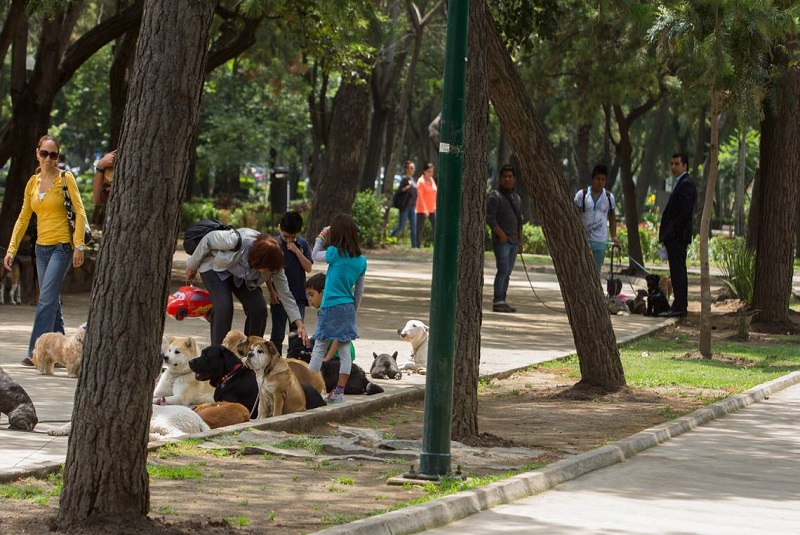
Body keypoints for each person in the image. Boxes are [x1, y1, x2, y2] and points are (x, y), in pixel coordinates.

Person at [3, 134, 87, 366]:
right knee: (52, 301)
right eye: (44, 153)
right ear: (37, 153)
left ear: (58, 157)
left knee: (46, 299)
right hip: (41, 249)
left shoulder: (65, 179)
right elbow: (23, 218)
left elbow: (80, 212)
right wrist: (11, 249)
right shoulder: (33, 182)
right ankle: (64, 353)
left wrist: (78, 245)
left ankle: (36, 352)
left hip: (62, 247)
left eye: (53, 155)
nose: (49, 159)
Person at [185, 229, 309, 347]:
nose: (269, 273)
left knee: (259, 309)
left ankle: (250, 351)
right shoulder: (236, 240)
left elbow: (285, 294)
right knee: (224, 306)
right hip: (215, 268)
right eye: (267, 270)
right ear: (257, 262)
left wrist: (299, 323)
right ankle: (218, 353)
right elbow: (208, 239)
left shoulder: (275, 263)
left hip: (242, 277)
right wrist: (192, 265)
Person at [307, 214, 366, 404]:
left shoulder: (334, 253)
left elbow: (314, 255)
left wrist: (321, 236)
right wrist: (353, 311)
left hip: (330, 306)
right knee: (345, 351)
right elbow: (359, 291)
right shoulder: (361, 261)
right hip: (347, 307)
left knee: (319, 347)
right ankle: (339, 392)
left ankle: (309, 388)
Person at [658, 152, 696, 318]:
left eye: (677, 164)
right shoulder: (679, 183)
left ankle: (680, 306)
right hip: (674, 236)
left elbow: (684, 213)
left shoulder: (686, 184)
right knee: (675, 271)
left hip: (678, 236)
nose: (673, 167)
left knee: (678, 271)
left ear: (685, 166)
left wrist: (672, 231)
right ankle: (678, 304)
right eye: (672, 164)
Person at [268, 211, 312, 355]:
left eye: (293, 237)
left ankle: (293, 361)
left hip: (298, 295)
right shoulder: (274, 245)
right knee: (277, 334)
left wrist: (297, 251)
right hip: (279, 297)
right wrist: (271, 292)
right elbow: (267, 272)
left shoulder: (302, 244)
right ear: (279, 228)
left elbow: (308, 267)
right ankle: (275, 362)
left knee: (296, 334)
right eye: (286, 236)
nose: (289, 240)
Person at [486, 164, 523, 313]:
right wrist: (501, 234)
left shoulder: (517, 198)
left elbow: (520, 221)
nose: (508, 179)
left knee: (507, 272)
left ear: (514, 179)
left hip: (514, 241)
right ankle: (498, 301)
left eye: (510, 176)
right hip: (502, 241)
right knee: (503, 270)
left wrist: (520, 241)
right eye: (505, 176)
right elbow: (490, 218)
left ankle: (503, 299)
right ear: (500, 179)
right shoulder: (495, 196)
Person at [574, 164, 618, 278]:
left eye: (603, 180)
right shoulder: (582, 195)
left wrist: (614, 236)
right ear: (593, 178)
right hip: (583, 241)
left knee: (595, 273)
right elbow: (574, 216)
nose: (600, 182)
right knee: (581, 271)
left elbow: (612, 218)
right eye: (598, 179)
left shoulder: (609, 197)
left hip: (600, 242)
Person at [389, 160, 418, 247]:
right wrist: (407, 187)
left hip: (412, 207)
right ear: (407, 169)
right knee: (401, 226)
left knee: (414, 227)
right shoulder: (404, 180)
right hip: (405, 207)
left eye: (413, 168)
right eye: (411, 168)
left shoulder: (413, 180)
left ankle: (414, 245)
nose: (413, 170)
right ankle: (390, 238)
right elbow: (398, 191)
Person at [414, 162, 437, 248]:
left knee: (436, 227)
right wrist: (425, 210)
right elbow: (420, 196)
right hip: (422, 209)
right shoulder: (421, 181)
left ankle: (436, 245)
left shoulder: (432, 180)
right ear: (424, 171)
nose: (431, 173)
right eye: (429, 171)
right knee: (420, 228)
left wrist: (435, 206)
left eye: (432, 171)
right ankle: (417, 245)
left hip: (432, 208)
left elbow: (434, 194)